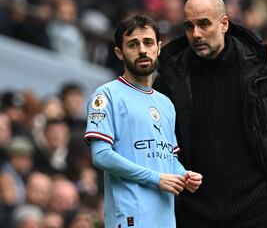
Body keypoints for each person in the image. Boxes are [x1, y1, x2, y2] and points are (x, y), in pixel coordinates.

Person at [153, 0, 267, 228]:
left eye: (204, 24)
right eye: (189, 26)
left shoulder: (265, 71)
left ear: (224, 24)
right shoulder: (170, 79)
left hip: (257, 210)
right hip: (194, 213)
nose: (196, 34)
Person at [84, 14, 202, 228]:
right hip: (130, 217)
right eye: (133, 44)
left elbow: (167, 158)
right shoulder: (107, 94)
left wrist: (184, 175)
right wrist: (156, 178)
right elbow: (101, 156)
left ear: (158, 47)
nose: (142, 50)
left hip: (165, 219)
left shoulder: (165, 103)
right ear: (119, 53)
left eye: (148, 42)